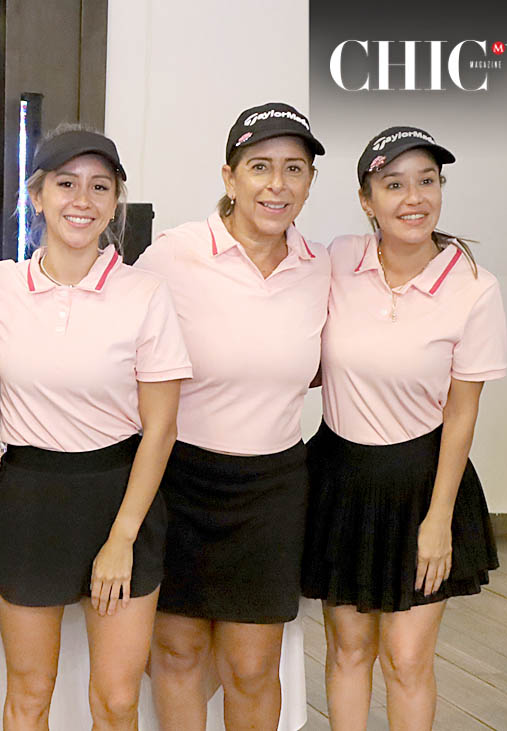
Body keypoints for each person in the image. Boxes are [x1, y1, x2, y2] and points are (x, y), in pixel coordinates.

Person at [0, 126, 190, 729]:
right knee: (28, 693)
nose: (83, 199)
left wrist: (122, 538)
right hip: (28, 498)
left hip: (120, 498)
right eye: (66, 184)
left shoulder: (144, 294)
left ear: (116, 201)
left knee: (117, 699)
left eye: (100, 187)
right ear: (38, 196)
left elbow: (161, 429)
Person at [302, 128, 505, 730]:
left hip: (423, 482)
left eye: (427, 181)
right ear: (368, 199)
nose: (413, 197)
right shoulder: (338, 260)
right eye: (394, 184)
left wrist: (438, 518)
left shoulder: (473, 286)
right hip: (341, 477)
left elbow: (462, 411)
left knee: (408, 658)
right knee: (347, 650)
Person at [136, 102, 330, 730]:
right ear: (229, 177)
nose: (277, 185)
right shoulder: (173, 256)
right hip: (182, 480)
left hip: (273, 487)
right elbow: (121, 349)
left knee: (252, 666)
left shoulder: (322, 266)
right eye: (260, 167)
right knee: (177, 649)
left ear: (309, 183)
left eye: (294, 169)